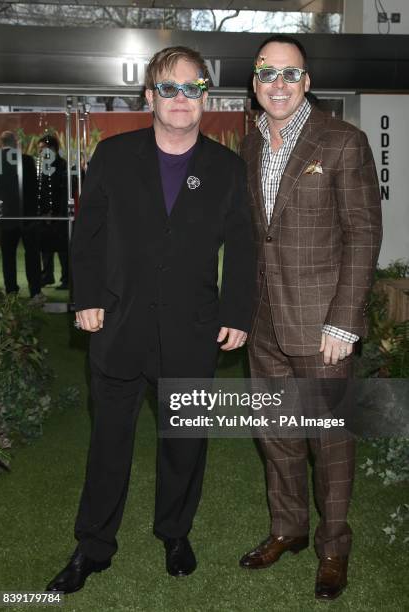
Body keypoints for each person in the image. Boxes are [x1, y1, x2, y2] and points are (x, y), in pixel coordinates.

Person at [46, 46, 255, 594]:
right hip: (118, 326)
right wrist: (85, 296)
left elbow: (243, 247)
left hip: (191, 331)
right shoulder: (112, 156)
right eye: (169, 88)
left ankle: (175, 532)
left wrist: (236, 312)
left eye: (192, 88)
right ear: (150, 97)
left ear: (205, 96)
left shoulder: (227, 168)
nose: (181, 98)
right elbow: (85, 234)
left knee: (185, 443)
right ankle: (93, 546)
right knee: (108, 443)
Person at [238, 34, 382, 601]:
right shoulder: (249, 146)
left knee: (331, 443)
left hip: (323, 326)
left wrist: (344, 323)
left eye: (290, 74)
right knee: (276, 436)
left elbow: (364, 235)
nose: (278, 84)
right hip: (263, 322)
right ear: (254, 83)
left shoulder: (343, 141)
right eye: (267, 73)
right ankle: (288, 530)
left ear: (307, 82)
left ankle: (334, 546)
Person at [0, 130, 43, 302]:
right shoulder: (26, 160)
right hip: (27, 216)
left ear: (1, 143)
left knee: (8, 257)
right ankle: (35, 292)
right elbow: (34, 188)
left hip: (5, 216)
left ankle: (11, 292)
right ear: (16, 142)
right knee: (32, 255)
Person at [37, 135, 69, 290]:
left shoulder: (62, 165)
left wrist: (56, 212)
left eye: (44, 148)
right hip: (45, 214)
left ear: (53, 149)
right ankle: (47, 275)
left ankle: (67, 279)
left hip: (60, 214)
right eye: (40, 149)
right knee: (46, 247)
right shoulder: (42, 167)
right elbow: (42, 191)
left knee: (63, 249)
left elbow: (62, 192)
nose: (41, 152)